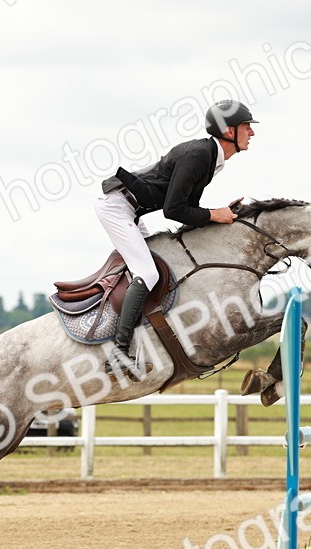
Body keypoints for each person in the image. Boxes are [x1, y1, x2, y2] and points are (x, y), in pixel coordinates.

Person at [96, 99, 258, 357]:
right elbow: (174, 211)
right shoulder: (199, 155)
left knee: (162, 266)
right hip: (117, 207)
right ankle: (118, 352)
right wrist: (214, 215)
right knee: (148, 273)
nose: (252, 132)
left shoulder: (212, 159)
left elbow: (189, 208)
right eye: (247, 126)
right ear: (229, 131)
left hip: (133, 210)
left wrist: (219, 214)